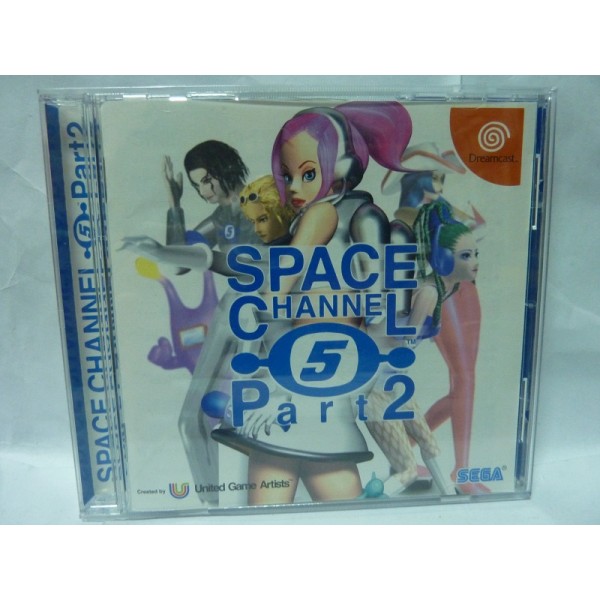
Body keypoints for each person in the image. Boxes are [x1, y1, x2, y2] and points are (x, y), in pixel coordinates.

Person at [210, 101, 413, 505]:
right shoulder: (363, 219)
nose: (293, 188)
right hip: (332, 393)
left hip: (294, 392)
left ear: (340, 166)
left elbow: (273, 296)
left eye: (307, 174)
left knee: (271, 509)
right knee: (339, 510)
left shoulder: (321, 216)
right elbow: (368, 328)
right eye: (288, 176)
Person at [380, 143, 487, 494]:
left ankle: (412, 453)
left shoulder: (440, 210)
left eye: (442, 175)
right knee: (464, 380)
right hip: (438, 293)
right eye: (435, 175)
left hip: (462, 290)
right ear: (416, 176)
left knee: (464, 381)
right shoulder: (403, 219)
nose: (441, 182)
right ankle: (458, 469)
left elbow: (477, 228)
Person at [366, 201, 479, 496]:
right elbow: (406, 342)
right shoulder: (429, 292)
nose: (475, 261)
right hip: (375, 385)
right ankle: (359, 512)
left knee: (430, 446)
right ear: (443, 258)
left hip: (394, 383)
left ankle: (448, 499)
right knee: (407, 471)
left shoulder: (441, 291)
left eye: (475, 253)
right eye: (466, 255)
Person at [164, 140, 260, 250]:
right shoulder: (219, 219)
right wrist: (174, 205)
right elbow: (179, 256)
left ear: (226, 169)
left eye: (206, 181)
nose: (202, 192)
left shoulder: (268, 202)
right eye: (197, 185)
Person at [239, 175, 295, 245]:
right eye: (253, 222)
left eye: (263, 220)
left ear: (282, 212)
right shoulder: (259, 247)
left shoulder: (302, 244)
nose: (256, 230)